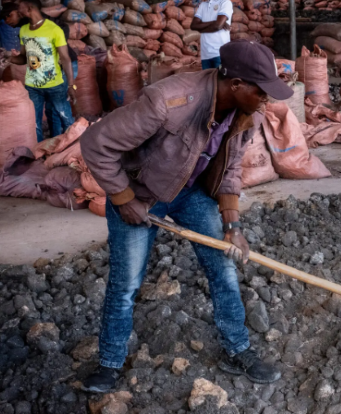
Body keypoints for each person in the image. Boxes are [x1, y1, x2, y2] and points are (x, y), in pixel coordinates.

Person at [79, 40, 292, 393]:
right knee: (126, 283)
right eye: (262, 91)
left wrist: (232, 224)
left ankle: (237, 349)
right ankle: (109, 364)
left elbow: (230, 169)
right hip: (140, 193)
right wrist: (124, 198)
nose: (267, 99)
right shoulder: (168, 100)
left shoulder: (247, 114)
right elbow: (95, 143)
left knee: (223, 264)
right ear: (236, 85)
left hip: (187, 193)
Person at [9, 0, 75, 142]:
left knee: (65, 119)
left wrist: (71, 84)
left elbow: (65, 58)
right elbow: (23, 57)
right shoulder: (24, 30)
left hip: (55, 85)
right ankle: (40, 153)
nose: (17, 11)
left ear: (29, 8)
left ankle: (71, 148)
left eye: (19, 7)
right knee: (34, 123)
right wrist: (9, 58)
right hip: (32, 86)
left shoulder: (54, 30)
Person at [191, 0, 233, 70]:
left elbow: (218, 26)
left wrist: (202, 28)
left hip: (220, 53)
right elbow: (193, 26)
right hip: (205, 54)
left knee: (220, 83)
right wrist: (213, 22)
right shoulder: (203, 5)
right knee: (207, 83)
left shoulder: (225, 3)